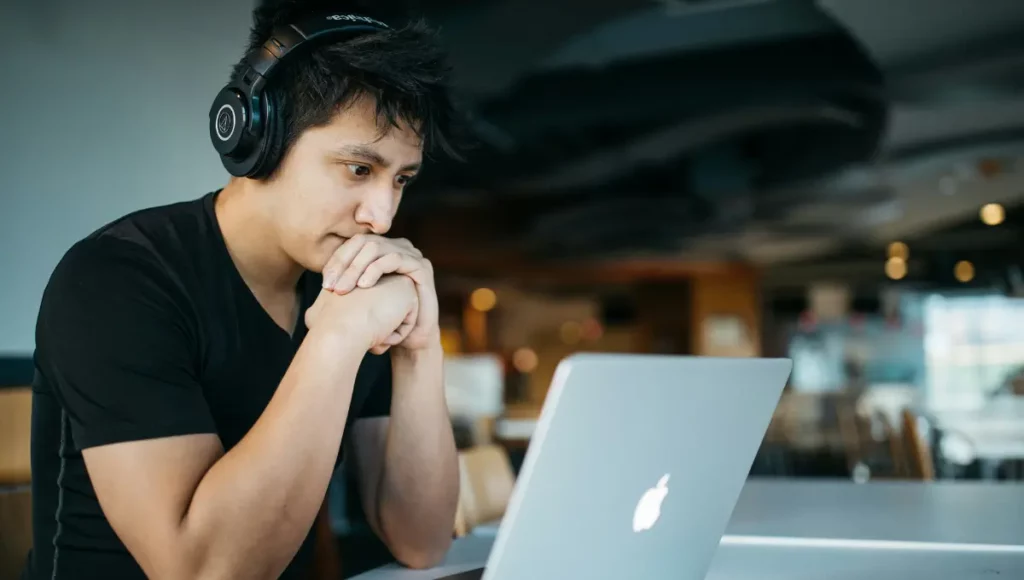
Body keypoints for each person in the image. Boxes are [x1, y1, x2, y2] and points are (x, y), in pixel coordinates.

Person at [23, 1, 463, 578]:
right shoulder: (117, 281)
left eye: (401, 179)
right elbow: (203, 571)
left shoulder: (349, 284)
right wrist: (337, 339)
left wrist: (419, 349)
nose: (381, 216)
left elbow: (421, 541)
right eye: (359, 169)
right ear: (261, 138)